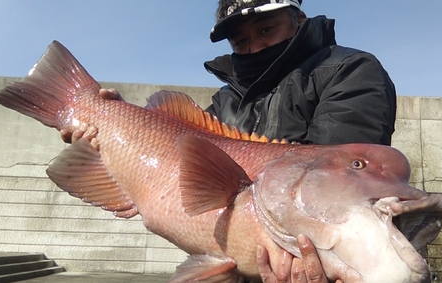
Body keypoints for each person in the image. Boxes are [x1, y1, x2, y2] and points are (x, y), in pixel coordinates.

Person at [63, 1, 396, 282]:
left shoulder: (347, 70)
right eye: (240, 41)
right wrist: (118, 127)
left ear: (299, 20)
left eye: (266, 30)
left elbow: (336, 180)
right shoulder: (226, 102)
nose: (254, 47)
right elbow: (179, 159)